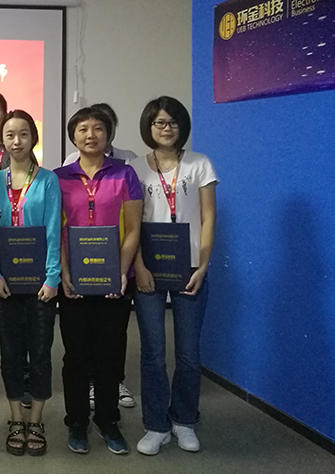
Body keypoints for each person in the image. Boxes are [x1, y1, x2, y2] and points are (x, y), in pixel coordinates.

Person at [129, 96, 218, 456]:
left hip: (190, 270)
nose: (166, 128)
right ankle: (156, 425)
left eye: (172, 122)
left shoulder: (200, 164)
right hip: (148, 269)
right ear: (148, 127)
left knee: (189, 354)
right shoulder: (135, 168)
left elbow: (209, 217)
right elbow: (131, 223)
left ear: (182, 126)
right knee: (152, 353)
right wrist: (137, 266)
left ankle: (184, 420)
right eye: (159, 122)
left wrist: (203, 266)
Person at [54, 106, 143, 456]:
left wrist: (121, 272)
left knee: (110, 353)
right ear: (73, 136)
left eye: (98, 129)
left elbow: (133, 229)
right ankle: (76, 421)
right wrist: (64, 272)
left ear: (108, 134)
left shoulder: (125, 173)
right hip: (73, 281)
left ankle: (108, 419)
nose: (90, 135)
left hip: (115, 281)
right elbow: (57, 231)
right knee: (75, 355)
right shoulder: (59, 177)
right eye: (82, 129)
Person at [0, 110, 61, 457]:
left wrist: (52, 277)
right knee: (10, 354)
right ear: (2, 141)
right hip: (5, 283)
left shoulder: (48, 180)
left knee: (40, 353)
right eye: (9, 135)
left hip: (40, 285)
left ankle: (36, 420)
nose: (16, 141)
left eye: (23, 134)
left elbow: (53, 230)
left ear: (33, 137)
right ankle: (16, 418)